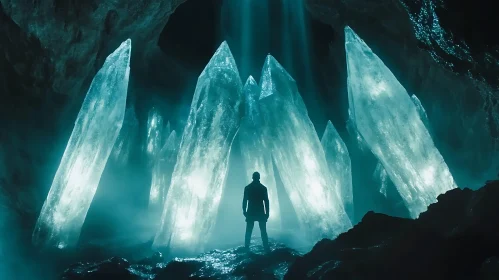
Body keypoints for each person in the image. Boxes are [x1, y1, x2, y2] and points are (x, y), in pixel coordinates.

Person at [242, 171, 270, 251]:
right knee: (263, 231)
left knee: (249, 231)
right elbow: (266, 201)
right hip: (260, 211)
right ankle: (266, 247)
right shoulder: (263, 188)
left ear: (252, 177)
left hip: (251, 211)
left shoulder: (248, 188)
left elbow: (244, 201)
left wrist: (244, 211)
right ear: (259, 178)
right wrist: (267, 213)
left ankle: (246, 247)